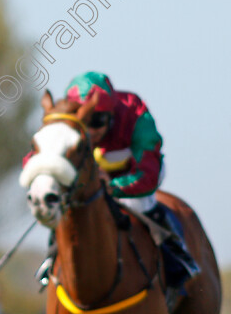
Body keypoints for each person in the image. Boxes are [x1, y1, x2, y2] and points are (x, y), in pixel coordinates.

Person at [38, 72, 199, 300]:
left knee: (138, 204)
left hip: (133, 175)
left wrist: (112, 186)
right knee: (68, 208)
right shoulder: (64, 121)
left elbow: (149, 173)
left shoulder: (134, 112)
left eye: (97, 121)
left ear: (112, 114)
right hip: (89, 179)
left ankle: (175, 265)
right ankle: (52, 258)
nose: (91, 130)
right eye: (85, 120)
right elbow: (37, 158)